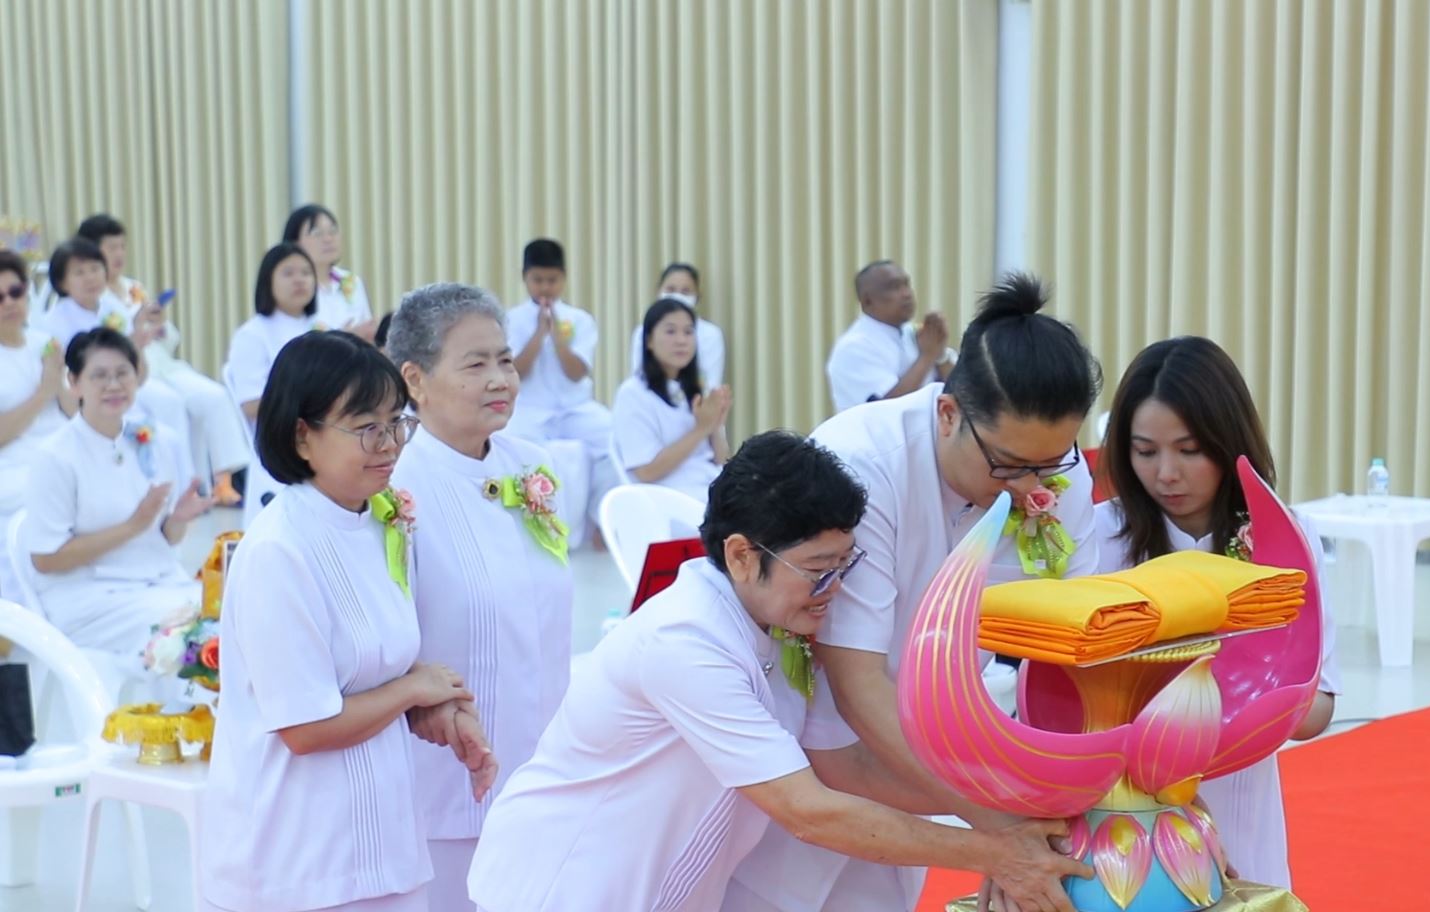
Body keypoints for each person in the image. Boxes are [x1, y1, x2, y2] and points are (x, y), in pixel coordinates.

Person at [468, 431, 1086, 912]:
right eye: (818, 568)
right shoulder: (686, 639)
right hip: (561, 890)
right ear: (741, 555)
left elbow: (847, 771)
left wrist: (1009, 808)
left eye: (846, 565)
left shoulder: (781, 625)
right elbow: (806, 809)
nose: (834, 589)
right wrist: (993, 852)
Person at [730, 274, 1104, 912]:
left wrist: (1051, 805)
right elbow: (856, 685)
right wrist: (996, 827)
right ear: (949, 412)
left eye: (1052, 463)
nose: (1031, 489)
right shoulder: (863, 462)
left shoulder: (1051, 482)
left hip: (933, 753)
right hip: (818, 749)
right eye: (1010, 465)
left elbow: (1080, 653)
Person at [200, 331, 493, 912]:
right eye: (365, 427)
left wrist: (432, 708)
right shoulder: (279, 552)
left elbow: (369, 671)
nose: (388, 444)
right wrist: (413, 688)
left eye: (395, 423)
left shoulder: (380, 523)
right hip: (298, 860)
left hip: (384, 844)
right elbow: (305, 728)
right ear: (302, 435)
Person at [1094, 336, 1340, 889]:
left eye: (1189, 450)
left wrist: (1257, 673)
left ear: (1229, 443)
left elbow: (1318, 710)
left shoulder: (1286, 538)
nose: (1166, 475)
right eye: (1145, 451)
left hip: (1240, 804)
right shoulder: (1100, 539)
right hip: (1125, 820)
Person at [386, 283, 572, 912]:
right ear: (415, 379)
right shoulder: (392, 489)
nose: (501, 379)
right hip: (446, 784)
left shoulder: (533, 466)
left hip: (545, 767)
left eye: (506, 360)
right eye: (476, 364)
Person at [22, 328, 208, 655]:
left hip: (155, 579)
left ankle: (191, 706)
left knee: (225, 616)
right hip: (89, 597)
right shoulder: (54, 456)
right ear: (75, 382)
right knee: (191, 634)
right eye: (100, 376)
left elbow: (164, 538)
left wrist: (176, 521)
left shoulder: (154, 440)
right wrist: (132, 527)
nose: (114, 385)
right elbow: (45, 559)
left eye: (123, 373)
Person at [79, 214, 250, 504]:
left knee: (214, 396)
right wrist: (134, 327)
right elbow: (100, 342)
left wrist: (159, 326)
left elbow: (170, 339)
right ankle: (184, 486)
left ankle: (224, 480)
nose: (119, 254)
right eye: (111, 248)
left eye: (122, 246)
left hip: (164, 365)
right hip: (132, 371)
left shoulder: (134, 288)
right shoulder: (93, 296)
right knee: (171, 403)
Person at [37, 238, 193, 478]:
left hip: (124, 391)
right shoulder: (52, 323)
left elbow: (138, 374)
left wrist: (137, 345)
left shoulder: (112, 307)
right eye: (79, 272)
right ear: (61, 282)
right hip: (86, 403)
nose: (91, 277)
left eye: (95, 268)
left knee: (168, 419)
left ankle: (181, 485)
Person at [503, 238, 616, 532]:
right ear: (524, 278)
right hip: (529, 409)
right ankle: (527, 526)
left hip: (575, 409)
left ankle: (599, 522)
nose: (544, 288)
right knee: (508, 444)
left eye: (551, 280)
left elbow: (577, 373)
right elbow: (515, 371)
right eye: (537, 280)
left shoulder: (580, 320)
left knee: (613, 439)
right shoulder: (510, 321)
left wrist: (557, 336)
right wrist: (539, 333)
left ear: (563, 279)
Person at [227, 243, 320, 524]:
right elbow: (252, 404)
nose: (299, 279)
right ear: (268, 281)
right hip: (279, 445)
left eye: (306, 272)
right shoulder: (252, 335)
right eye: (288, 273)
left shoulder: (321, 328)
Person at [0, 249, 72, 600]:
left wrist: (58, 381)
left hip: (62, 450)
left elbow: (73, 410)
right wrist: (44, 391)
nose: (9, 303)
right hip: (13, 464)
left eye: (15, 292)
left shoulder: (44, 344)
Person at [613, 297, 730, 503]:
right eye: (670, 331)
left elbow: (722, 462)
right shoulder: (633, 393)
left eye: (688, 331)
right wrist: (701, 429)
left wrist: (716, 426)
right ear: (649, 340)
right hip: (671, 497)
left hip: (711, 487)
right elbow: (646, 472)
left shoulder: (697, 388)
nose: (681, 340)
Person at [825, 260, 955, 413]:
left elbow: (960, 392)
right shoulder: (854, 347)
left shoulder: (913, 333)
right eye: (894, 287)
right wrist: (927, 357)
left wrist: (940, 354)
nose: (906, 293)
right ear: (867, 301)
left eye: (907, 284)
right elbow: (887, 409)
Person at [283, 203, 377, 340]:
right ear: (295, 243)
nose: (328, 239)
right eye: (316, 233)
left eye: (333, 231)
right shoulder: (295, 287)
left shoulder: (351, 281)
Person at [629, 262, 726, 388]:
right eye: (671, 290)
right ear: (658, 292)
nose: (677, 296)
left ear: (697, 296)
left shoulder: (710, 334)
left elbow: (711, 383)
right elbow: (638, 375)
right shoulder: (643, 332)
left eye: (685, 292)